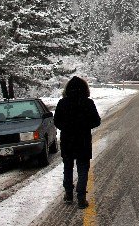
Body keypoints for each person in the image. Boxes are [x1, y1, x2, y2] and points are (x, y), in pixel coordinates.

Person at [53, 76, 101, 208]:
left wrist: (67, 127)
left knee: (67, 168)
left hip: (67, 140)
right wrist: (84, 126)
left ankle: (68, 194)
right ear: (85, 89)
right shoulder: (88, 103)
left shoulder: (62, 103)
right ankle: (81, 198)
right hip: (83, 141)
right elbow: (97, 121)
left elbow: (56, 121)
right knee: (83, 169)